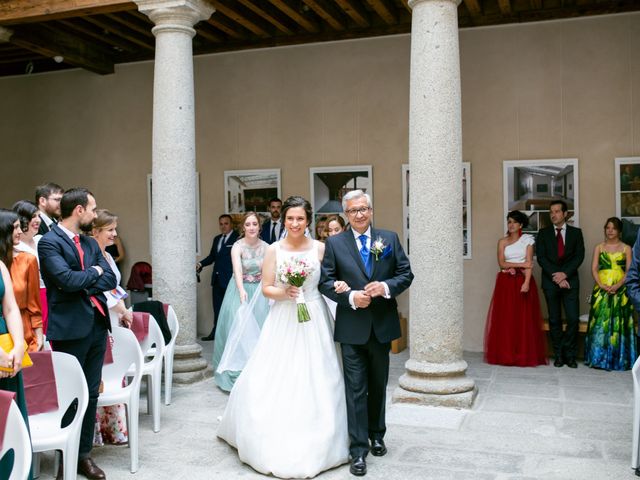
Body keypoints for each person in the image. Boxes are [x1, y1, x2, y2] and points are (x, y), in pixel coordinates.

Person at [218, 196, 349, 478]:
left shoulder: (321, 248)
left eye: (300, 218)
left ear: (308, 220)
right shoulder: (274, 250)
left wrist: (339, 284)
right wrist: (285, 291)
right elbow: (267, 288)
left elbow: (329, 280)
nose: (294, 223)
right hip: (284, 317)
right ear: (285, 220)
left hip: (314, 315)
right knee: (278, 373)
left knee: (319, 374)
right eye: (290, 218)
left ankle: (325, 438)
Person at [319, 189, 413, 477]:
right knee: (356, 389)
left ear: (370, 210)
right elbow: (325, 282)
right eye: (353, 211)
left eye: (363, 209)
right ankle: (358, 450)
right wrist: (350, 298)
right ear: (346, 215)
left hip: (381, 326)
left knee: (378, 384)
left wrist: (385, 288)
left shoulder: (389, 238)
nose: (359, 214)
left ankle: (377, 434)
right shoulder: (335, 243)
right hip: (351, 328)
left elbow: (405, 273)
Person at [38, 188, 117, 480]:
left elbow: (109, 277)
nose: (96, 215)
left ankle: (84, 456)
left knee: (91, 395)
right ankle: (63, 461)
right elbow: (65, 281)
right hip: (70, 329)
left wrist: (90, 275)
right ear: (79, 210)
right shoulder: (49, 242)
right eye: (93, 209)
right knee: (70, 396)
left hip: (97, 324)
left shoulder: (88, 242)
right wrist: (93, 274)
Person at [212, 212, 269, 391]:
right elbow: (237, 270)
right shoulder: (237, 246)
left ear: (259, 227)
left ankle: (259, 372)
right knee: (238, 328)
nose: (251, 227)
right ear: (242, 227)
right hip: (240, 289)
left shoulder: (267, 247)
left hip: (260, 290)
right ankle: (236, 372)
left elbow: (269, 271)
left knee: (261, 329)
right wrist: (242, 289)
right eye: (248, 224)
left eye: (254, 224)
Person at [484, 211, 547, 366]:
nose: (511, 225)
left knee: (522, 319)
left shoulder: (528, 240)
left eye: (514, 222)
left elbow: (529, 264)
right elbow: (502, 264)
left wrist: (526, 283)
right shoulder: (502, 242)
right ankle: (505, 353)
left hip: (522, 281)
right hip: (505, 282)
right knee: (506, 318)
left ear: (521, 225)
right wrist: (520, 265)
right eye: (509, 222)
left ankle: (521, 353)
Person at [91, 209, 133, 445]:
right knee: (104, 369)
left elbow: (116, 288)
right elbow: (103, 292)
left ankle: (115, 430)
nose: (115, 234)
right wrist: (123, 310)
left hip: (116, 316)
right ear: (95, 231)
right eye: (110, 230)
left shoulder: (107, 256)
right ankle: (99, 431)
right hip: (103, 315)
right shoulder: (92, 256)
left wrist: (123, 311)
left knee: (116, 368)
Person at [536, 200, 585, 369]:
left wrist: (565, 274)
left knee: (572, 319)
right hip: (550, 282)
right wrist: (557, 277)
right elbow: (541, 258)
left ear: (565, 214)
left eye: (557, 211)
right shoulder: (542, 234)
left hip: (571, 281)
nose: (553, 214)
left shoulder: (576, 233)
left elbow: (579, 256)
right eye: (551, 211)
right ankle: (558, 354)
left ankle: (569, 354)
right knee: (555, 320)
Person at [584, 217, 637, 370]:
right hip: (601, 288)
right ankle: (598, 358)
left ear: (619, 231)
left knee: (619, 322)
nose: (610, 231)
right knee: (599, 322)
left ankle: (618, 359)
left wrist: (619, 285)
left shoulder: (627, 248)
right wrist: (601, 284)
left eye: (613, 228)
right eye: (607, 227)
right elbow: (594, 268)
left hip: (621, 290)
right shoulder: (599, 247)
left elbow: (629, 270)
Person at [0, 260, 32, 480]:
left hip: (6, 350)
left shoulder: (0, 265)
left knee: (11, 424)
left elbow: (10, 308)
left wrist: (19, 345)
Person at [0, 209, 42, 353]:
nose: (20, 231)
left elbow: (34, 303)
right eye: (15, 227)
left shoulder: (27, 260)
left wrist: (39, 336)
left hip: (23, 333)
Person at [197, 214, 239, 341]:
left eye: (226, 223)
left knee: (231, 309)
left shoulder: (237, 238)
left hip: (230, 279)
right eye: (221, 224)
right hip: (216, 279)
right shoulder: (217, 239)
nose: (223, 226)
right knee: (217, 308)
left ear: (231, 224)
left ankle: (232, 334)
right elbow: (212, 257)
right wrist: (201, 264)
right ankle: (216, 333)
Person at [13, 200, 49, 334]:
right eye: (33, 216)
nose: (38, 220)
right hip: (30, 297)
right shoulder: (15, 248)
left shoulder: (41, 240)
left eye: (39, 216)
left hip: (49, 293)